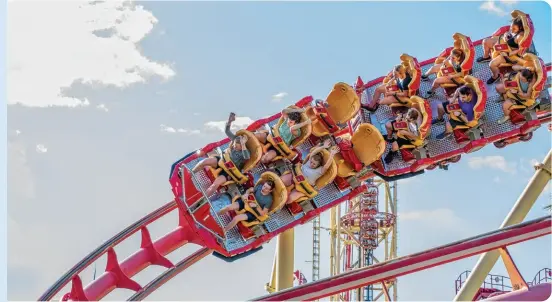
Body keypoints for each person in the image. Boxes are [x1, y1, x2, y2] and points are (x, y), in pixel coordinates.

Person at [192, 112, 251, 196]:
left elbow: (247, 157)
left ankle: (203, 199)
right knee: (204, 162)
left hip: (228, 172)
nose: (234, 147)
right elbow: (227, 131)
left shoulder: (246, 152)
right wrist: (230, 121)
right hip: (221, 161)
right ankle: (191, 173)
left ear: (242, 146)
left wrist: (243, 144)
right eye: (234, 145)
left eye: (236, 147)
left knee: (214, 185)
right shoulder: (235, 139)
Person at [476, 17, 526, 85]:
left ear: (520, 28)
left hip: (508, 54)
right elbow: (507, 33)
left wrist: (507, 53)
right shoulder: (514, 30)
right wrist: (506, 35)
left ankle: (495, 76)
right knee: (485, 41)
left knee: (492, 64)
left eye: (514, 29)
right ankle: (486, 57)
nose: (511, 29)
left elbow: (519, 51)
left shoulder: (520, 37)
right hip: (502, 43)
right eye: (511, 27)